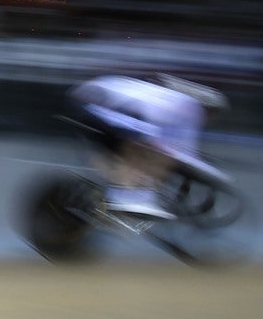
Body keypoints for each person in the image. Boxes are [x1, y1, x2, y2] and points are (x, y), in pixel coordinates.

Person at [67, 72, 228, 220]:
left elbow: (180, 146)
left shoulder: (171, 101)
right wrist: (212, 173)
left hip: (92, 98)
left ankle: (119, 191)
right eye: (213, 115)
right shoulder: (189, 108)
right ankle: (124, 197)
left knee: (148, 147)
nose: (211, 120)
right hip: (94, 101)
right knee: (150, 148)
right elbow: (180, 150)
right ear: (208, 109)